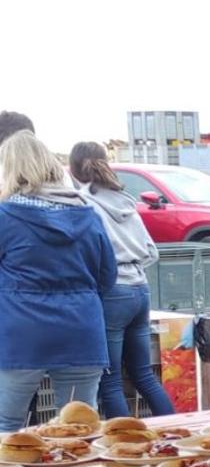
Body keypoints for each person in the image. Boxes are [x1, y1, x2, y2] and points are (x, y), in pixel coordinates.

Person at [0, 131, 115, 431]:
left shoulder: (4, 216)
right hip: (81, 330)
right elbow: (108, 277)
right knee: (79, 426)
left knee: (7, 426)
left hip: (20, 335)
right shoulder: (89, 215)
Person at [71, 141, 174, 419]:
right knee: (144, 375)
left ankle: (125, 445)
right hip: (140, 289)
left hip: (112, 293)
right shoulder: (125, 200)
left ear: (73, 169)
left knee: (111, 381)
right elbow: (151, 251)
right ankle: (174, 431)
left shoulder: (82, 203)